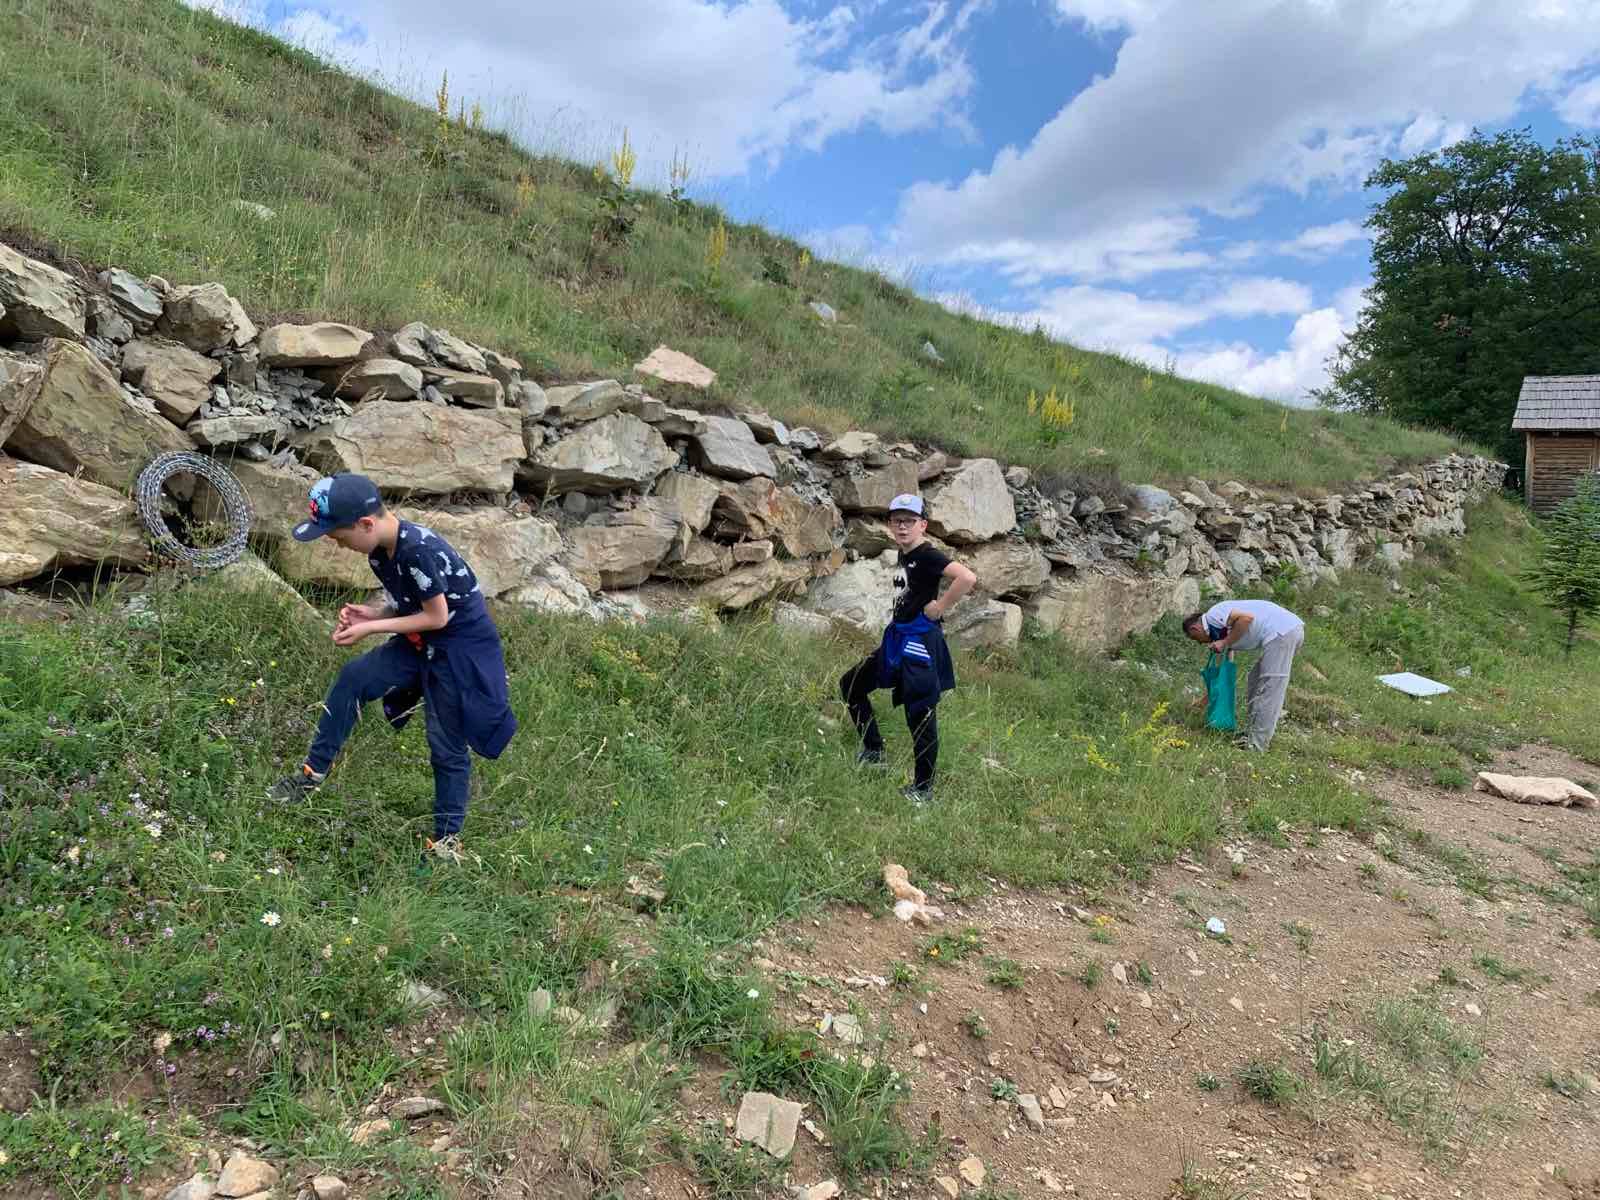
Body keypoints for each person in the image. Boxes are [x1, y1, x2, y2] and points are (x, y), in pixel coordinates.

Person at [267, 473, 517, 867]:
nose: (338, 544)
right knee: (354, 679)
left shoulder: (417, 550)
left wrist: (372, 628)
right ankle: (311, 775)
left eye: (339, 537)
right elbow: (413, 604)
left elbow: (437, 616)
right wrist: (374, 613)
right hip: (423, 639)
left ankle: (447, 842)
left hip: (459, 650)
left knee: (446, 744)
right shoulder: (380, 552)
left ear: (366, 524)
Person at [839, 493, 977, 803]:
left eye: (909, 521)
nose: (902, 527)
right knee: (851, 684)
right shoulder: (906, 553)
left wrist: (939, 607)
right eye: (897, 521)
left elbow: (967, 578)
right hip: (898, 640)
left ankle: (923, 791)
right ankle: (874, 752)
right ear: (890, 524)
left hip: (920, 644)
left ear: (922, 525)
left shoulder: (928, 555)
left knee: (921, 714)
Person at [1182, 599, 1304, 751]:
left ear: (1194, 629)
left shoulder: (1214, 615)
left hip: (1283, 632)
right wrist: (1203, 701)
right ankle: (1251, 733)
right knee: (1255, 682)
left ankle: (1257, 745)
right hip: (1283, 633)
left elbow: (1246, 618)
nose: (1200, 643)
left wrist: (1225, 643)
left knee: (1270, 689)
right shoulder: (1220, 632)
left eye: (1195, 639)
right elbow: (1223, 675)